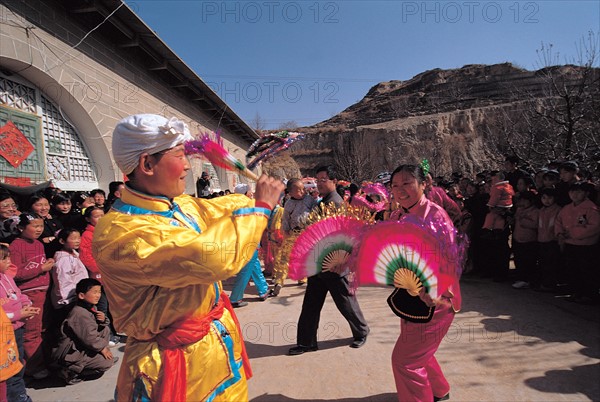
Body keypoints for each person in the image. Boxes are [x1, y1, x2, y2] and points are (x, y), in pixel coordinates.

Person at [92, 114, 284, 401]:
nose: (186, 167)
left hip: (215, 346)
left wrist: (255, 199)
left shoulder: (179, 204)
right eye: (180, 156)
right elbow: (211, 258)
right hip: (172, 363)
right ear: (146, 164)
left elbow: (221, 207)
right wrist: (260, 208)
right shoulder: (121, 233)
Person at [386, 164, 461, 402]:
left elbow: (449, 259)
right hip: (409, 297)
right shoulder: (397, 214)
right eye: (395, 185)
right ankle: (439, 390)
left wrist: (429, 288)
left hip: (435, 300)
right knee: (419, 352)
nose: (400, 190)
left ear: (423, 184)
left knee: (405, 361)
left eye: (407, 183)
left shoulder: (435, 215)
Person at [289, 165, 369, 355]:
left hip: (334, 264)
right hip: (318, 262)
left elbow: (347, 235)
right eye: (318, 180)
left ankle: (362, 332)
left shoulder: (337, 203)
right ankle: (307, 342)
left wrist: (344, 261)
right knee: (310, 304)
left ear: (334, 181)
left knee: (346, 302)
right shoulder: (321, 202)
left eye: (323, 179)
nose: (319, 183)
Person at [9, 213, 54, 379]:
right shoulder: (16, 246)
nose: (39, 229)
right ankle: (34, 368)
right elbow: (15, 273)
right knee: (31, 331)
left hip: (43, 291)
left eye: (41, 226)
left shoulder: (38, 244)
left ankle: (40, 361)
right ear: (21, 227)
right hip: (29, 294)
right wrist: (41, 269)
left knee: (42, 328)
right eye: (35, 226)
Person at [51, 278, 117, 385]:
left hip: (81, 347)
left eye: (99, 292)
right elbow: (89, 338)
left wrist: (103, 320)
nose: (98, 295)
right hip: (70, 354)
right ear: (81, 295)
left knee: (105, 329)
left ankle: (90, 358)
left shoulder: (90, 307)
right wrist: (102, 349)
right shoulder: (79, 313)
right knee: (106, 363)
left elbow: (94, 331)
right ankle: (70, 371)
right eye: (94, 292)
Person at [0, 244, 37, 402]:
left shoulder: (6, 276)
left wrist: (26, 304)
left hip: (17, 329)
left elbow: (18, 294)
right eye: (4, 258)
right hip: (4, 333)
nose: (9, 261)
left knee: (18, 365)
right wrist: (17, 314)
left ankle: (20, 395)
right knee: (8, 371)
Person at [79, 206, 120, 346]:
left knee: (111, 307)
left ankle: (113, 332)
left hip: (110, 276)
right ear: (88, 219)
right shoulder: (87, 235)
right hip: (99, 277)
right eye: (97, 216)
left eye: (103, 215)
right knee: (102, 307)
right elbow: (87, 258)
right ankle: (106, 335)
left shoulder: (106, 231)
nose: (101, 219)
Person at [555, 181, 600, 304]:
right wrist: (559, 233)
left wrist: (573, 233)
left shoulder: (591, 209)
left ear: (586, 193)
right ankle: (576, 292)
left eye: (579, 192)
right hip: (570, 244)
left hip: (586, 245)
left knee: (587, 271)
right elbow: (558, 221)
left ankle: (589, 294)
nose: (575, 194)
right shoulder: (567, 208)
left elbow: (594, 227)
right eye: (572, 191)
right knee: (573, 270)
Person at [271, 178, 317, 296]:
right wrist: (285, 230)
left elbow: (315, 213)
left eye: (303, 189)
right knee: (284, 257)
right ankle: (279, 281)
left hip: (307, 234)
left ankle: (302, 277)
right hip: (292, 233)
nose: (302, 192)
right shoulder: (289, 203)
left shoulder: (309, 200)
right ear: (290, 193)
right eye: (298, 190)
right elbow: (285, 218)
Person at [229, 183, 270, 307]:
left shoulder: (235, 204)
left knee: (254, 265)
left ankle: (263, 290)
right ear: (245, 193)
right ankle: (235, 298)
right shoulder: (246, 205)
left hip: (246, 241)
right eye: (249, 191)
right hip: (248, 241)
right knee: (245, 270)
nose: (251, 192)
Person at [50, 228, 89, 322]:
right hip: (69, 300)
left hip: (78, 296)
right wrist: (69, 300)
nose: (77, 241)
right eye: (73, 238)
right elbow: (63, 282)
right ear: (62, 241)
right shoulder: (63, 259)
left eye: (79, 238)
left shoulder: (74, 254)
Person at [511, 191, 539, 289]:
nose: (522, 202)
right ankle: (520, 277)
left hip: (529, 239)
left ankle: (526, 280)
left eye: (525, 200)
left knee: (528, 261)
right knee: (518, 259)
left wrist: (523, 220)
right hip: (517, 237)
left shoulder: (535, 211)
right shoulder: (519, 209)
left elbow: (535, 225)